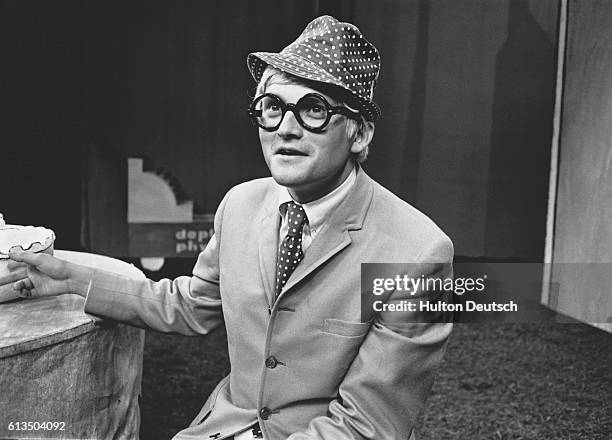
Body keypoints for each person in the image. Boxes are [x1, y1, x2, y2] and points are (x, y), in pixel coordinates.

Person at [10, 15, 453, 440]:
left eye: (313, 109)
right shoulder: (240, 203)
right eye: (273, 107)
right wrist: (71, 279)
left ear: (359, 134)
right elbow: (190, 305)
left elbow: (367, 426)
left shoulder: (418, 253)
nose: (287, 129)